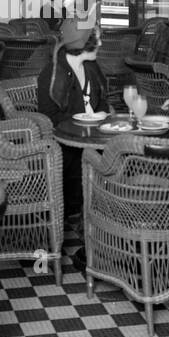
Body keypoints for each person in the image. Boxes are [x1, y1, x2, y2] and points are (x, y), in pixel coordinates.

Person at [37, 18, 108, 271]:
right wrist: (81, 124)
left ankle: (104, 229)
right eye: (96, 39)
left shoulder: (92, 67)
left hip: (93, 137)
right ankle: (87, 224)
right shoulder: (52, 74)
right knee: (85, 164)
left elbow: (103, 106)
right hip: (63, 144)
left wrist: (100, 119)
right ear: (84, 44)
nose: (100, 43)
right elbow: (49, 118)